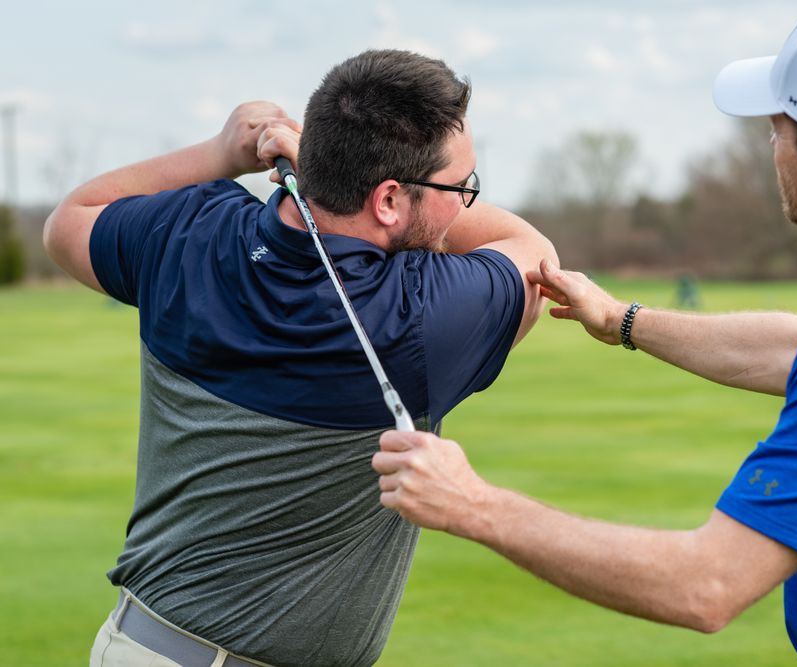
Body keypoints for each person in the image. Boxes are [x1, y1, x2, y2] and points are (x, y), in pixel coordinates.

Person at [372, 2, 797, 664]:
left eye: (778, 130)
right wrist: (622, 320)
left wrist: (472, 505)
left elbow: (705, 584)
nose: (771, 147)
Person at [44, 49, 556, 667]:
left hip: (137, 645)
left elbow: (69, 221)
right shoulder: (417, 317)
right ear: (388, 199)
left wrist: (222, 153)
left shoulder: (190, 229)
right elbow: (533, 251)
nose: (466, 205)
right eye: (461, 187)